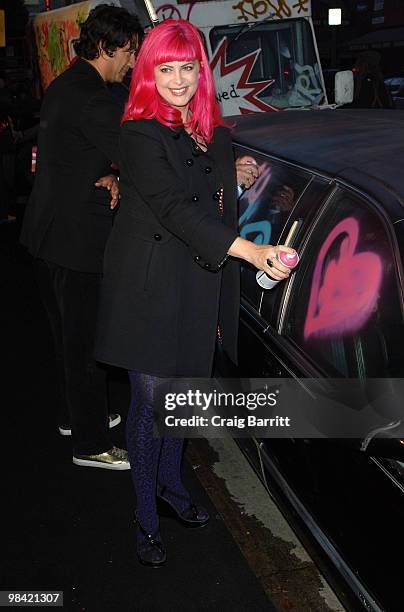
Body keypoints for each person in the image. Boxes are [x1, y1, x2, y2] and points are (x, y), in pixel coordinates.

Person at [95, 19, 295, 565]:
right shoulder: (138, 132)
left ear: (201, 72)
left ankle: (172, 489)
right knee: (149, 402)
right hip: (148, 285)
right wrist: (251, 252)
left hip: (197, 278)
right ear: (147, 73)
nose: (178, 80)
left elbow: (201, 190)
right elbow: (175, 207)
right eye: (166, 68)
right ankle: (144, 517)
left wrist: (230, 175)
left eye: (188, 68)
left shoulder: (214, 130)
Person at [20, 5, 143, 470]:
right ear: (109, 48)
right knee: (86, 343)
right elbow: (139, 160)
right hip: (75, 240)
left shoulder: (68, 83)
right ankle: (91, 444)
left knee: (65, 339)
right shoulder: (95, 97)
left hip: (46, 232)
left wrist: (108, 175)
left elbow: (83, 155)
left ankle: (76, 416)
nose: (132, 62)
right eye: (129, 52)